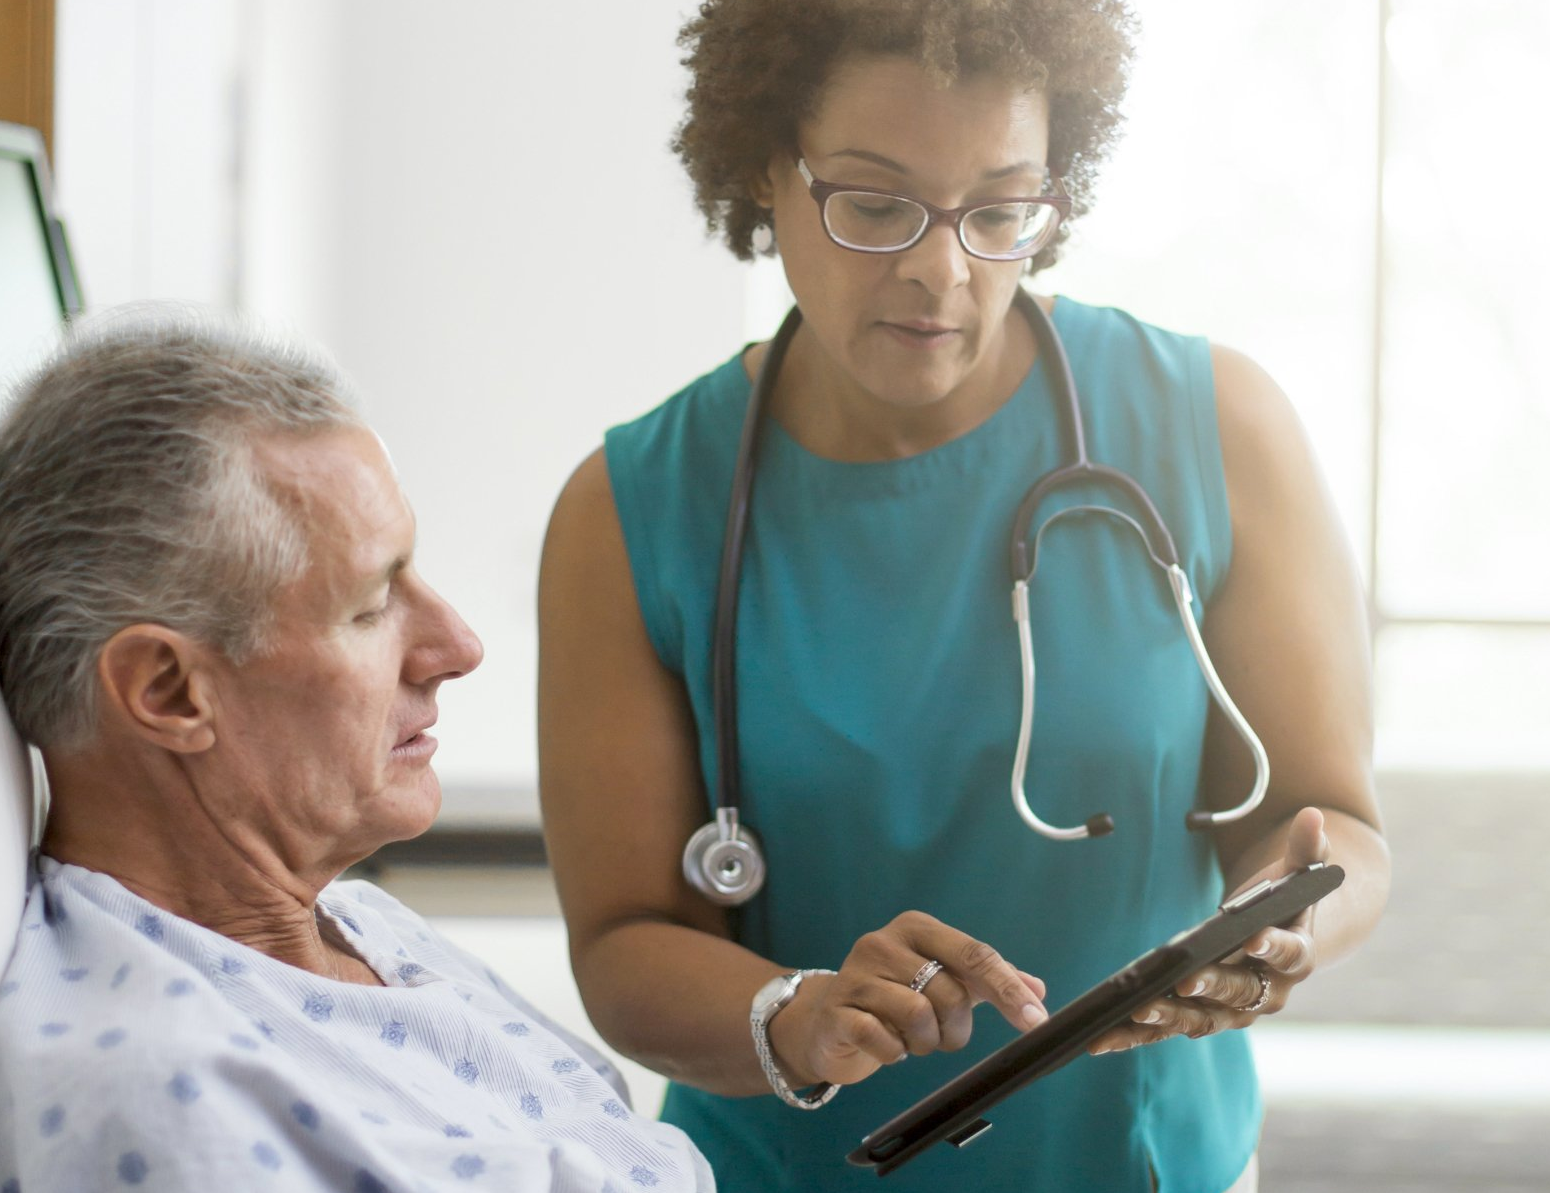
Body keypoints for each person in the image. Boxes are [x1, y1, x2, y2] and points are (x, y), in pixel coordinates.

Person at [535, 2, 1389, 1190]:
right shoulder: (629, 509)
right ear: (767, 169)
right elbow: (625, 944)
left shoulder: (1216, 426)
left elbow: (1333, 826)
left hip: (1150, 1167)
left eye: (997, 211)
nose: (940, 269)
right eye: (876, 204)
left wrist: (1282, 927)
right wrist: (798, 1012)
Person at [0, 313, 714, 1193]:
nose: (459, 645)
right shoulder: (166, 1097)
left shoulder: (364, 928)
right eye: (370, 605)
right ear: (168, 691)